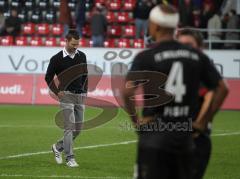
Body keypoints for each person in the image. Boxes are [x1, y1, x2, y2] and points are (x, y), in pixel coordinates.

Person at [121, 4, 228, 179]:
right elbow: (222, 89)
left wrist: (136, 122)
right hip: (185, 140)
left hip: (154, 136)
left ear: (156, 26)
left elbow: (127, 93)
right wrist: (202, 122)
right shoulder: (197, 56)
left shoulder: (145, 57)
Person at [176, 28, 228, 179]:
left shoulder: (201, 69)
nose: (184, 49)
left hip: (194, 139)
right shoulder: (178, 68)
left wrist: (201, 122)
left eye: (189, 44)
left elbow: (213, 94)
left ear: (200, 47)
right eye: (181, 45)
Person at [45, 30, 88, 167]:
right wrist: (57, 92)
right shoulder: (56, 58)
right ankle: (70, 158)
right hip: (66, 96)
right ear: (66, 41)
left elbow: (85, 75)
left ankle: (57, 147)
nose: (75, 46)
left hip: (79, 96)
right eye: (73, 44)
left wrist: (85, 91)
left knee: (78, 129)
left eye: (77, 44)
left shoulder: (82, 56)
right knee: (69, 128)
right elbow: (48, 77)